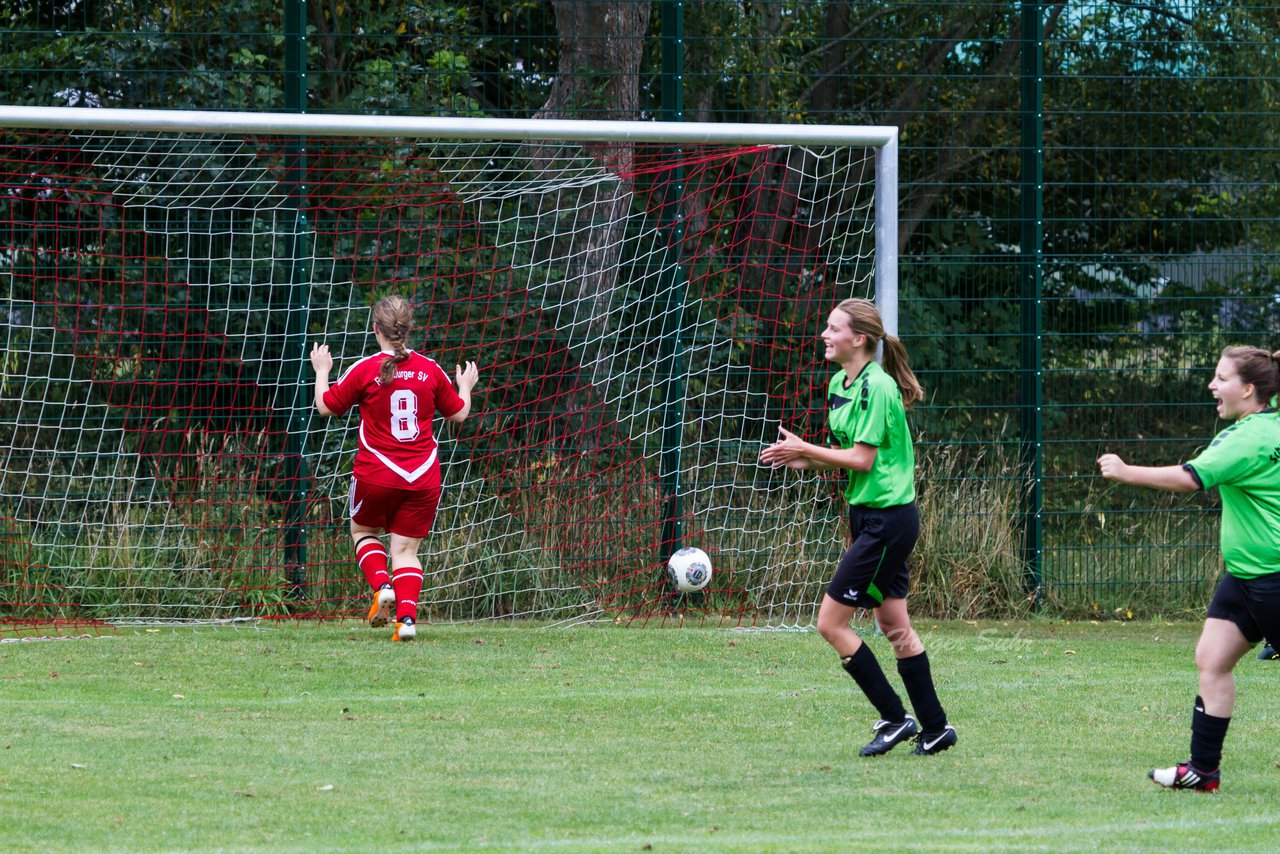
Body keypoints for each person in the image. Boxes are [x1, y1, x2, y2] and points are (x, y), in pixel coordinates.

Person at [759, 298, 956, 757]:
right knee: (894, 625)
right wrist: (798, 458)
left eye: (833, 328)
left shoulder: (879, 387)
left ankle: (894, 717)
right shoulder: (838, 383)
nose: (824, 335)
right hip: (867, 516)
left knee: (830, 623)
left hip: (889, 521)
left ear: (859, 338)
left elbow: (863, 459)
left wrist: (808, 448)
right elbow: (849, 457)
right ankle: (936, 727)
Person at [1098, 345, 1280, 791]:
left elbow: (1189, 479)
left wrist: (1125, 471)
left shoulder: (1247, 438)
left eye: (1221, 378)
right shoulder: (1271, 419)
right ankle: (1203, 771)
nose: (1212, 385)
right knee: (1212, 659)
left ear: (1249, 388)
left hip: (1273, 577)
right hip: (1245, 575)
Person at [309, 294, 479, 641]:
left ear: (376, 330)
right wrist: (465, 387)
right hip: (423, 477)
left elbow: (326, 407)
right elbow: (459, 413)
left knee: (362, 532)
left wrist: (322, 371)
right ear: (408, 329)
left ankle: (382, 586)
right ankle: (406, 622)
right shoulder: (430, 369)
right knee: (405, 551)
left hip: (376, 473)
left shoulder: (365, 369)